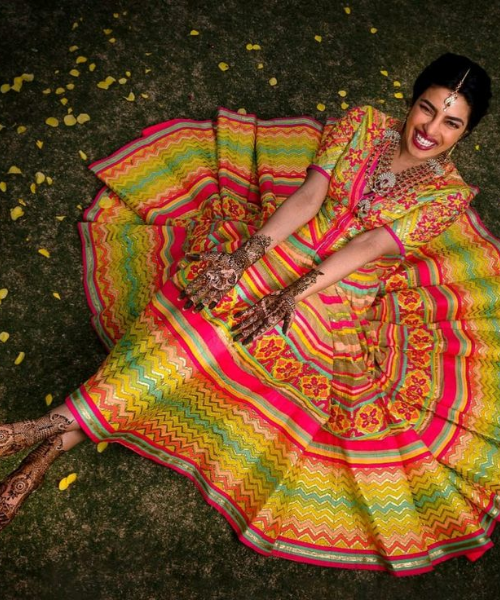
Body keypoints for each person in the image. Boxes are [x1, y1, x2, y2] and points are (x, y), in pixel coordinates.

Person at [1, 53, 499, 575]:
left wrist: (288, 297)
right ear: (412, 99)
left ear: (466, 132)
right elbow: (309, 197)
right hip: (283, 244)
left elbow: (370, 246)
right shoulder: (361, 124)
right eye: (427, 109)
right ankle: (41, 454)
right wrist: (241, 259)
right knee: (198, 307)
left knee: (215, 342)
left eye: (451, 122)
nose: (430, 129)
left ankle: (32, 434)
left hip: (335, 291)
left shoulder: (449, 195)